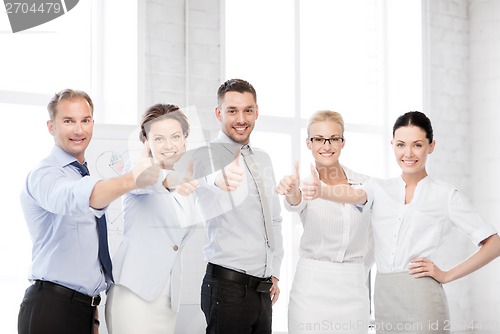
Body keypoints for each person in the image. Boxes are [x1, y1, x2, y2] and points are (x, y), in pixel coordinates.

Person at [301, 111, 500, 333]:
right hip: (384, 296)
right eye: (401, 145)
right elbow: (353, 195)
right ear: (392, 145)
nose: (408, 153)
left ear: (431, 146)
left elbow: (494, 243)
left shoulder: (446, 195)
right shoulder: (379, 188)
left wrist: (446, 275)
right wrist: (322, 190)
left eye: (417, 145)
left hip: (422, 297)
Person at [18, 89, 160, 334]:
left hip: (82, 310)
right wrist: (132, 179)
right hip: (52, 308)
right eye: (68, 121)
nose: (79, 130)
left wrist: (91, 315)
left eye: (85, 120)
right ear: (51, 126)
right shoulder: (45, 174)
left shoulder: (81, 173)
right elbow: (75, 197)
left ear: (93, 123)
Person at [195, 78, 284, 334]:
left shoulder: (263, 159)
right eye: (232, 111)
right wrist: (217, 179)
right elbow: (200, 177)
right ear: (218, 113)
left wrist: (274, 271)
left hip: (263, 290)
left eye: (247, 110)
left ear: (257, 111)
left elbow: (274, 220)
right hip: (227, 287)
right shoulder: (206, 155)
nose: (241, 119)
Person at [105, 104, 199, 333]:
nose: (168, 145)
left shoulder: (186, 184)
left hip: (167, 299)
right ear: (146, 141)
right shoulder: (136, 170)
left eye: (175, 136)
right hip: (134, 295)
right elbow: (146, 180)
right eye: (159, 138)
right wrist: (168, 181)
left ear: (185, 138)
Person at [276, 110, 373, 334]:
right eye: (318, 139)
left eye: (333, 138)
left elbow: (375, 234)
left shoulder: (365, 183)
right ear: (309, 143)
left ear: (343, 142)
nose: (326, 145)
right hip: (311, 289)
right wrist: (291, 191)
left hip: (353, 290)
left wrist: (360, 269)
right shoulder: (304, 185)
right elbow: (295, 201)